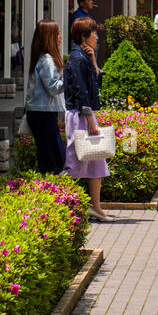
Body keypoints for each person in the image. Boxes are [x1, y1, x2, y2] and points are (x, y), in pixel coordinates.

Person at [63, 17, 111, 222]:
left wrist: (93, 62)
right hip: (80, 115)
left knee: (96, 162)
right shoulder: (76, 59)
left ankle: (96, 207)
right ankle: (58, 203)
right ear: (84, 36)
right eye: (94, 34)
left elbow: (95, 83)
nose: (97, 38)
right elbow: (81, 91)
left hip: (86, 113)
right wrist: (90, 118)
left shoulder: (83, 57)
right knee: (75, 162)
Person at [25, 20, 66, 173]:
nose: (60, 37)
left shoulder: (42, 58)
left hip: (39, 112)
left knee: (48, 155)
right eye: (58, 34)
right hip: (43, 113)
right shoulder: (48, 60)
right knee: (53, 158)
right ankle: (51, 189)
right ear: (50, 37)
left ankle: (48, 188)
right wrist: (70, 79)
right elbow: (53, 88)